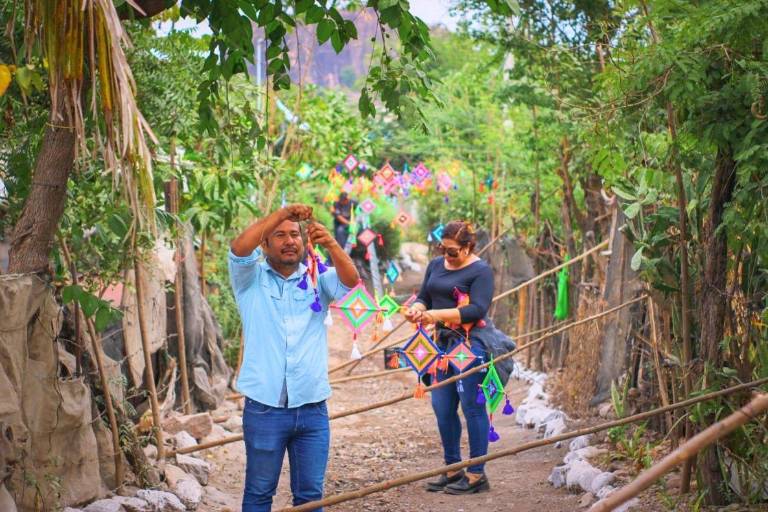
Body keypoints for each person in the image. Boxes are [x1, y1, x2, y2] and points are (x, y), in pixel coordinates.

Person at [229, 204, 360, 511]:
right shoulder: (249, 280)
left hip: (313, 408)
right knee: (259, 492)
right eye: (279, 235)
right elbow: (238, 249)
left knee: (310, 496)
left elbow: (351, 282)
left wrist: (330, 244)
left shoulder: (319, 278)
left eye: (294, 235)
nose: (289, 241)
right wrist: (283, 211)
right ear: (265, 243)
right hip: (264, 409)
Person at [404, 221, 495, 495]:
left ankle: (477, 473)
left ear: (468, 248)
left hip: (470, 344)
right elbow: (424, 297)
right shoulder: (435, 265)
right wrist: (416, 310)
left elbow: (476, 310)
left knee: (472, 407)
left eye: (453, 251)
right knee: (442, 407)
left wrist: (436, 315)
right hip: (441, 346)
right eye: (442, 248)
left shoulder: (481, 271)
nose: (446, 255)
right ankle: (453, 468)